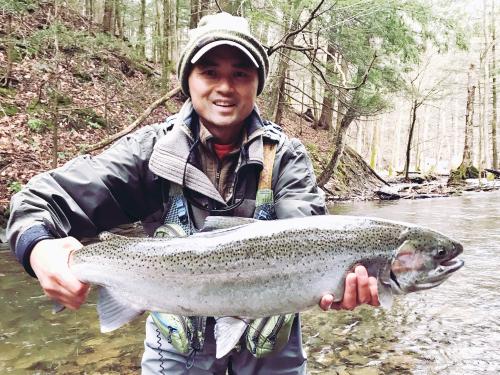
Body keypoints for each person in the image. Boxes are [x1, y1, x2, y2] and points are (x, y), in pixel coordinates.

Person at [7, 12, 379, 374]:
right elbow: (37, 201)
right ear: (188, 80)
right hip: (176, 354)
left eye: (240, 73)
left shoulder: (285, 157)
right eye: (210, 72)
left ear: (256, 83)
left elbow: (310, 235)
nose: (225, 87)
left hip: (271, 352)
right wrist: (39, 249)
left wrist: (336, 279)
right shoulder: (149, 152)